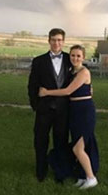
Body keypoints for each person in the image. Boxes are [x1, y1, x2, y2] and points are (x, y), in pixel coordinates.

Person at [39, 44, 99, 190]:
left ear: (83, 57)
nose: (75, 58)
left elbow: (67, 91)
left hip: (84, 111)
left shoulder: (84, 72)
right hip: (75, 111)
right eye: (73, 55)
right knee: (80, 146)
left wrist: (47, 92)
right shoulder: (71, 71)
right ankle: (81, 176)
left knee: (78, 148)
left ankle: (91, 178)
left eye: (78, 56)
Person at [27, 28, 74, 182]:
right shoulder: (39, 61)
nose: (56, 43)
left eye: (59, 40)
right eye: (54, 39)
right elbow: (32, 85)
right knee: (40, 141)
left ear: (64, 42)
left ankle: (59, 172)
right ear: (49, 41)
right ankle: (41, 172)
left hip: (63, 110)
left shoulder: (70, 59)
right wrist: (36, 105)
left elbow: (80, 76)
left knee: (61, 142)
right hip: (44, 110)